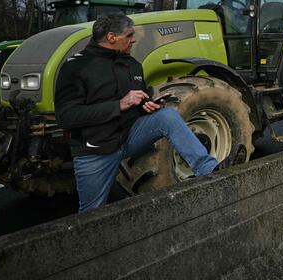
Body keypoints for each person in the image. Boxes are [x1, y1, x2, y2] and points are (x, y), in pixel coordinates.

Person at [55, 13, 218, 212]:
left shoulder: (132, 65)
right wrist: (119, 105)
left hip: (129, 137)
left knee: (167, 117)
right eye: (129, 35)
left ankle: (209, 171)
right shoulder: (75, 67)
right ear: (111, 37)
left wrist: (146, 104)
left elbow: (138, 98)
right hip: (95, 149)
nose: (134, 39)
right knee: (90, 216)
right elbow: (66, 117)